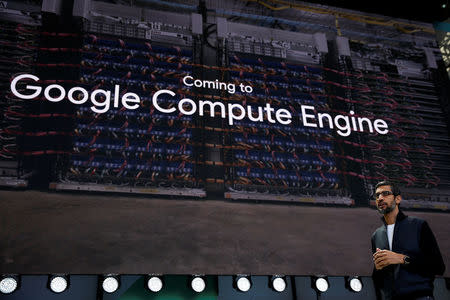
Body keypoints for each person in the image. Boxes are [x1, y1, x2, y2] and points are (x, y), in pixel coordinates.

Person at [371, 180, 445, 300]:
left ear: (398, 199)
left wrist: (402, 259)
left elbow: (438, 267)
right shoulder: (376, 235)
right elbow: (378, 279)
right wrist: (378, 270)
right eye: (377, 195)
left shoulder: (418, 225)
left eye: (385, 194)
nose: (380, 198)